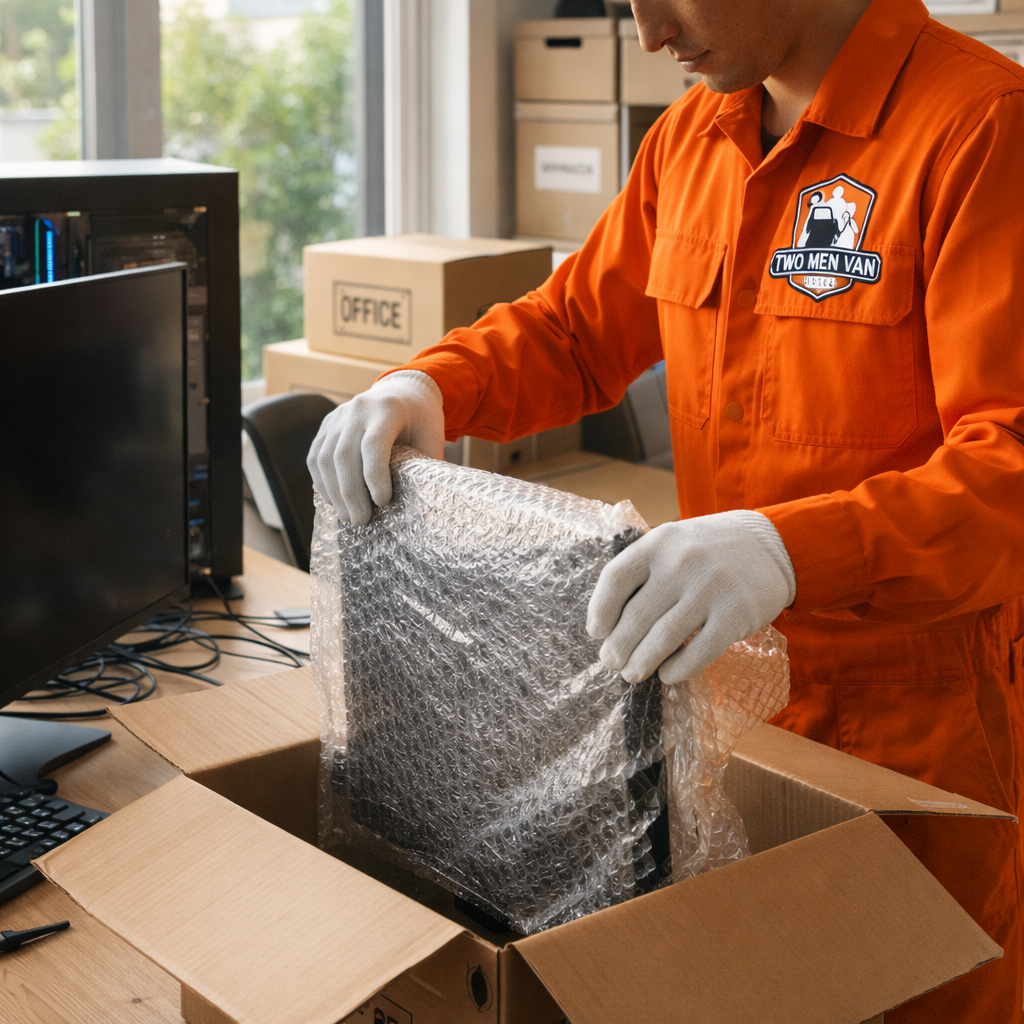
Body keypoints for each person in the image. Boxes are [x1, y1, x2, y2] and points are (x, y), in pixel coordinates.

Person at [308, 0, 1024, 1018]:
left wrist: (793, 548)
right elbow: (573, 331)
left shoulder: (982, 128)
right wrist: (431, 384)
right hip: (719, 709)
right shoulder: (695, 135)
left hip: (915, 735)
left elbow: (1009, 465)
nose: (648, 34)